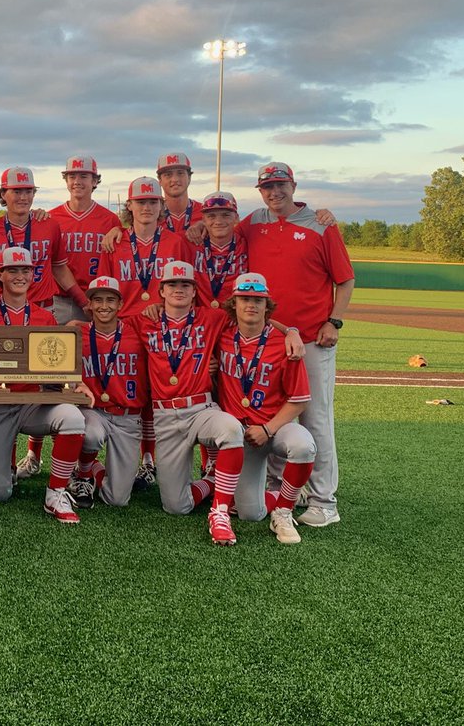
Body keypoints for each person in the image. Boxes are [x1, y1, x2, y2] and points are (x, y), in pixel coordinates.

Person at [240, 162, 355, 528]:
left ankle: (324, 501)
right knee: (273, 412)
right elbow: (218, 228)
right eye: (267, 187)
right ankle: (282, 487)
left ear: (293, 185)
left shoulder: (321, 224)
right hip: (269, 341)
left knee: (316, 419)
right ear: (260, 191)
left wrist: (333, 321)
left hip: (310, 337)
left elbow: (346, 280)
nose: (275, 193)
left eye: (280, 185)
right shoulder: (254, 222)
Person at [0, 247, 92, 524]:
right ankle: (1, 469)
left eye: (26, 270)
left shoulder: (44, 318)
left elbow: (57, 365)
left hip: (32, 403)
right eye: (13, 270)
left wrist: (75, 382)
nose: (20, 276)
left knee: (72, 417)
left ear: (33, 274)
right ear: (0, 274)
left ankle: (55, 492)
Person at [0, 166, 85, 481]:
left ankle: (36, 456)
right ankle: (5, 463)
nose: (23, 197)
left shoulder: (48, 224)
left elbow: (60, 269)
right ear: (3, 195)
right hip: (6, 315)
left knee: (47, 383)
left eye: (28, 191)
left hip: (42, 310)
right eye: (16, 191)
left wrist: (84, 301)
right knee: (7, 383)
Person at [128, 261, 244, 545]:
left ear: (194, 292)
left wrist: (289, 331)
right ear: (162, 291)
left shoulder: (211, 317)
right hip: (165, 418)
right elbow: (103, 323)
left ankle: (219, 510)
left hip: (200, 408)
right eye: (172, 285)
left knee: (230, 429)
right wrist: (73, 326)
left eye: (185, 285)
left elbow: (255, 320)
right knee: (176, 506)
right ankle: (214, 481)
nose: (179, 290)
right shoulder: (144, 320)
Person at [95, 176, 193, 489]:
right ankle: (96, 464)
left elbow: (185, 286)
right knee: (128, 391)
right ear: (130, 206)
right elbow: (105, 289)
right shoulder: (116, 241)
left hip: (161, 326)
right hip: (125, 326)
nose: (147, 207)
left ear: (161, 205)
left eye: (152, 202)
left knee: (155, 393)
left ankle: (149, 461)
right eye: (141, 202)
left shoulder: (175, 242)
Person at [215, 273, 316, 544]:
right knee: (249, 514)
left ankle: (284, 508)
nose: (251, 305)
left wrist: (268, 429)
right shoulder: (222, 336)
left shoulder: (283, 344)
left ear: (266, 305)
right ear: (233, 304)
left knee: (304, 445)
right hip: (243, 436)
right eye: (245, 299)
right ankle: (284, 492)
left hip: (276, 427)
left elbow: (300, 399)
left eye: (258, 300)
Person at [67, 275, 145, 510]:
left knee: (117, 499)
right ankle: (82, 475)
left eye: (110, 300)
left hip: (128, 417)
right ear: (89, 304)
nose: (104, 306)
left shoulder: (137, 332)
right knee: (90, 434)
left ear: (120, 304)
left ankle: (94, 469)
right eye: (97, 300)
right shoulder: (77, 334)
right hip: (94, 412)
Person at [50, 155, 117, 324]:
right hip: (59, 300)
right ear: (66, 181)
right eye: (72, 177)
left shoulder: (110, 220)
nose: (77, 181)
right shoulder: (52, 218)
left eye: (84, 176)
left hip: (97, 301)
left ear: (95, 181)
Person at [155, 152, 203, 235]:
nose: (175, 179)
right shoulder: (151, 215)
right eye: (168, 175)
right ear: (160, 180)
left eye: (180, 173)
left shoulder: (206, 213)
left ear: (189, 177)